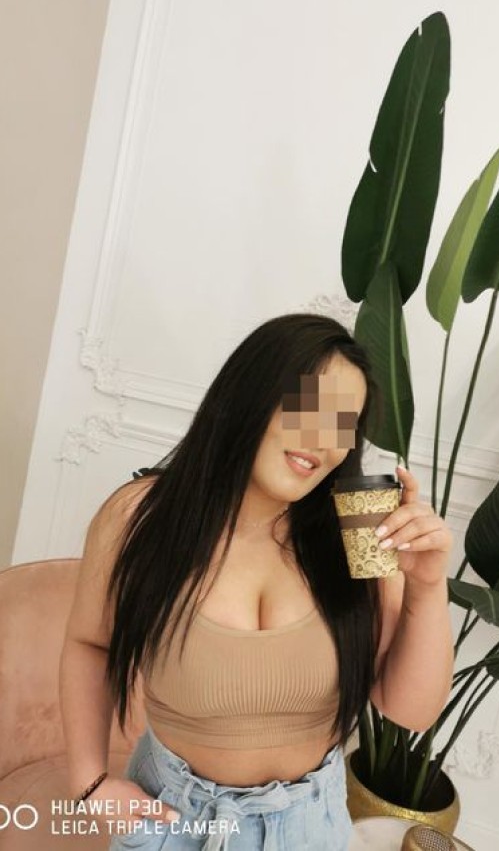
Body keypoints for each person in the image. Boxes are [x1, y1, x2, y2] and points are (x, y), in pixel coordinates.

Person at [59, 313, 454, 850]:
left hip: (309, 830)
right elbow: (90, 643)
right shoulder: (141, 517)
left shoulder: (358, 530)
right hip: (171, 820)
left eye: (343, 424)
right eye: (307, 408)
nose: (321, 440)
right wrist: (88, 782)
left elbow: (411, 710)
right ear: (250, 394)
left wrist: (427, 586)